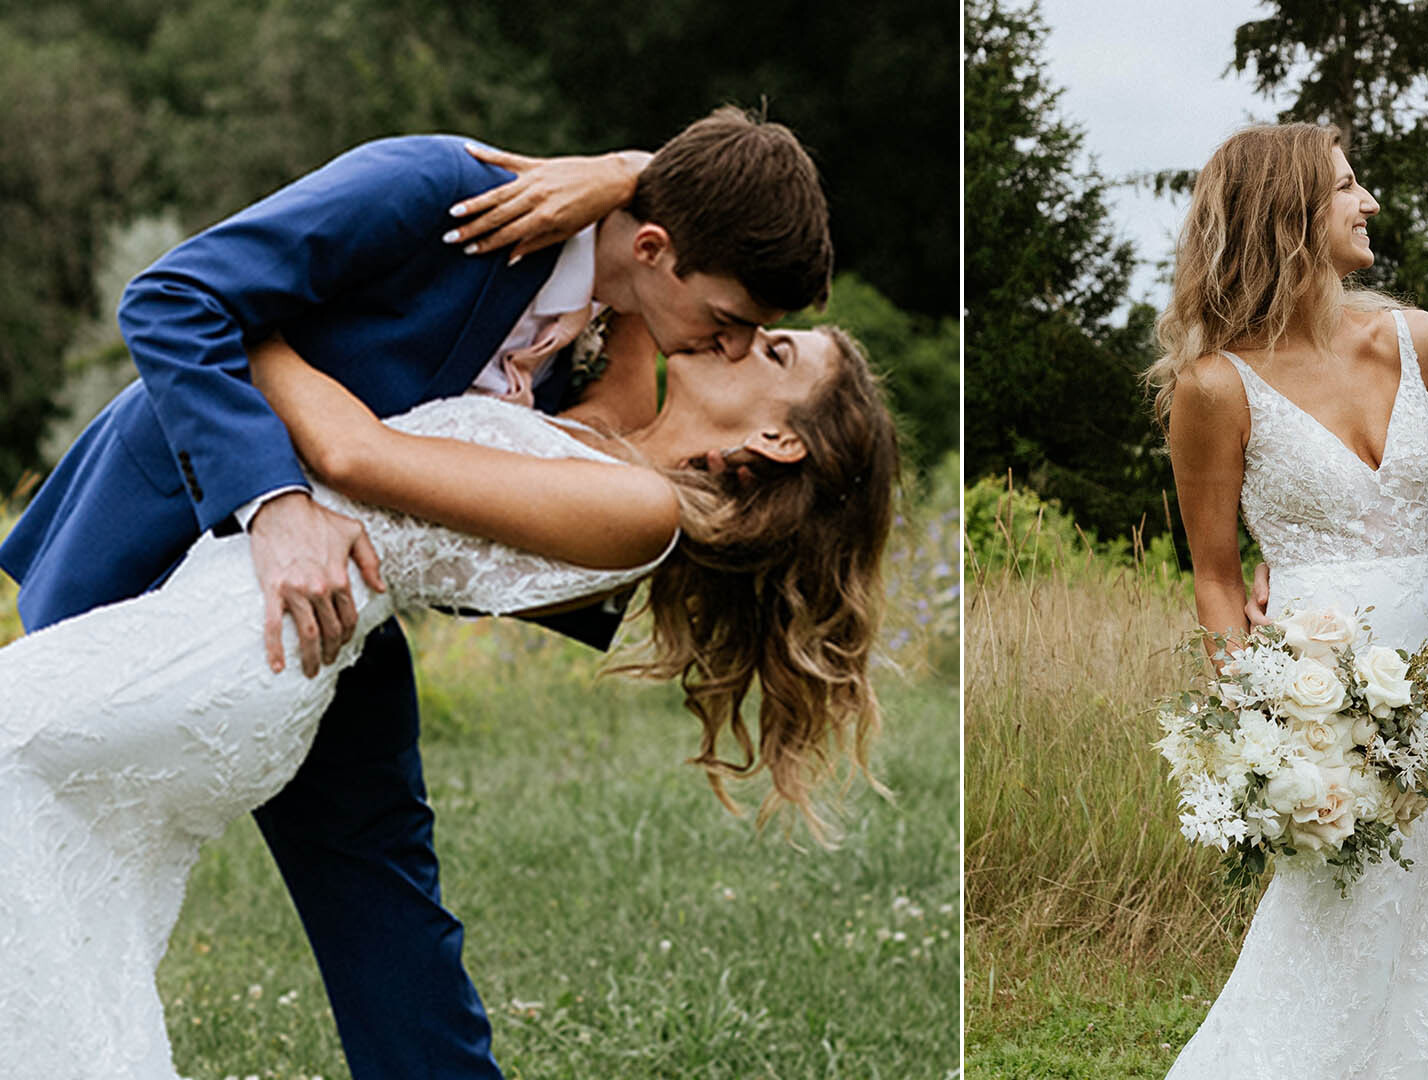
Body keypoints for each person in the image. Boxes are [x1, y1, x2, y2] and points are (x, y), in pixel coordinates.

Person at [0, 105, 839, 1079]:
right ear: (655, 248)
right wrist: (273, 501)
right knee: (67, 858)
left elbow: (450, 493)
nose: (730, 349)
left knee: (384, 895)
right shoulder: (444, 189)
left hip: (337, 603)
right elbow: (172, 297)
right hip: (165, 547)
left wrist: (629, 172)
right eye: (735, 326)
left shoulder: (619, 358)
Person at [1149, 122, 1428, 1078]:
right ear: (1288, 214)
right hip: (1315, 698)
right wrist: (1260, 723)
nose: (1368, 201)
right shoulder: (1215, 387)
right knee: (1329, 916)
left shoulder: (1419, 341)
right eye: (1346, 187)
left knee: (1421, 917)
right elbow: (1215, 573)